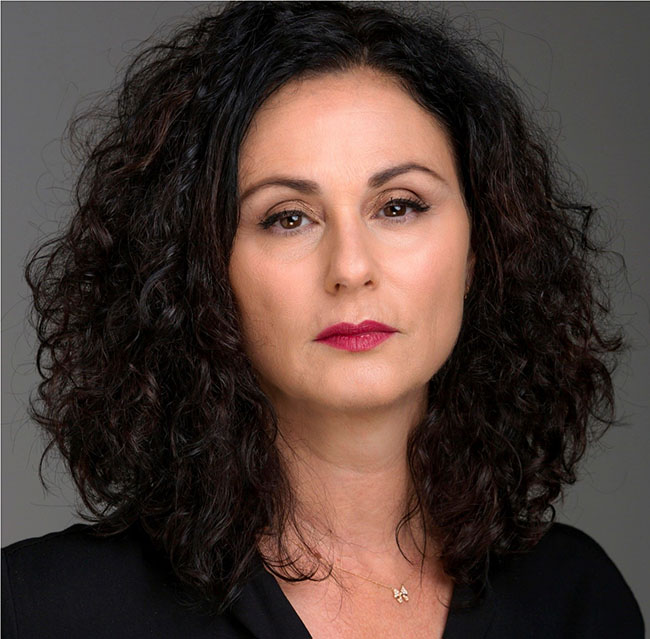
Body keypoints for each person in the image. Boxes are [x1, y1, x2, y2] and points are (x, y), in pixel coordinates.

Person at [2, 2, 644, 637]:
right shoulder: (44, 610)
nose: (351, 267)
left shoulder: (576, 602)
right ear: (199, 271)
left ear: (479, 248)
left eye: (398, 206)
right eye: (288, 218)